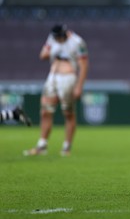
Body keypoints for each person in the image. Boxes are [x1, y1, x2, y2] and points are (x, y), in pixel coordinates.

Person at [24, 24, 89, 156]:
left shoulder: (77, 42)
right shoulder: (52, 39)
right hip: (52, 77)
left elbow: (84, 64)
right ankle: (42, 145)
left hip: (68, 78)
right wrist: (50, 52)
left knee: (68, 113)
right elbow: (43, 55)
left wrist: (79, 86)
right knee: (45, 111)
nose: (58, 39)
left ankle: (67, 146)